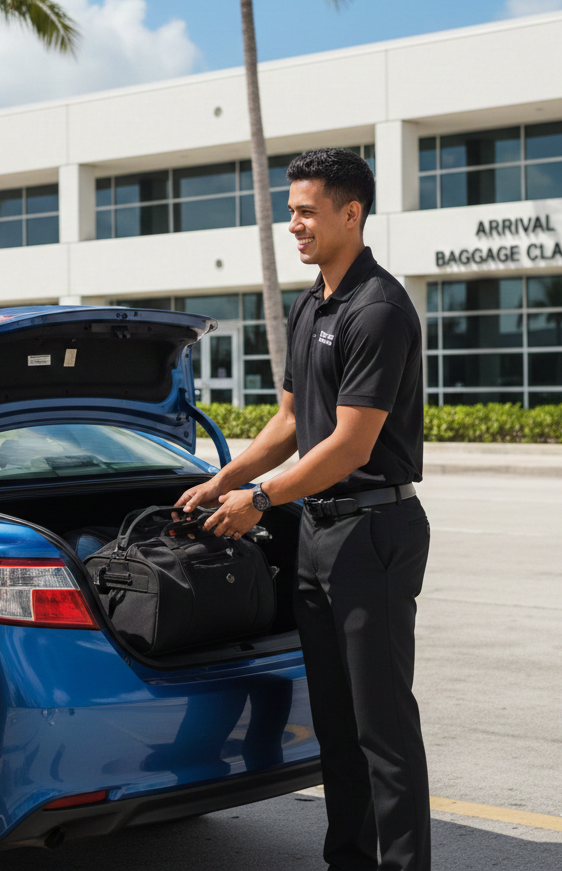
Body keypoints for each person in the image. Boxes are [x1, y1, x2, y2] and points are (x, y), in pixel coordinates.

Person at [177, 148, 430, 871]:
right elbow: (292, 420)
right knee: (336, 727)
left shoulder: (378, 308)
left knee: (382, 729)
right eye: (290, 211)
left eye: (306, 211)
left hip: (374, 531)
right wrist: (223, 477)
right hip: (320, 533)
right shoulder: (313, 301)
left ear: (351, 213)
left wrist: (260, 498)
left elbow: (350, 444)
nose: (293, 224)